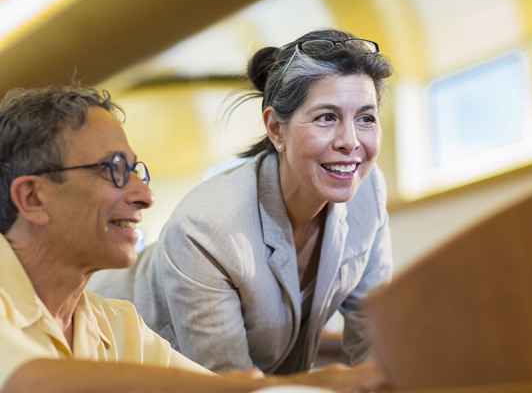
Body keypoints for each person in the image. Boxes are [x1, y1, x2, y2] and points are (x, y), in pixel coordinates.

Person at [0, 85, 383, 393]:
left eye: (137, 172)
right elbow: (25, 380)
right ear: (33, 198)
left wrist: (333, 382)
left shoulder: (116, 323)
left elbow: (212, 388)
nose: (144, 196)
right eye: (113, 170)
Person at [90, 28, 394, 374]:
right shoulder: (207, 226)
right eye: (327, 117)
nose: (350, 141)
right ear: (276, 129)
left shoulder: (367, 192)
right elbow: (228, 382)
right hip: (107, 356)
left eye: (366, 118)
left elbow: (373, 336)